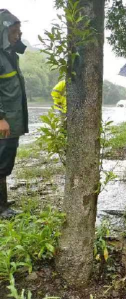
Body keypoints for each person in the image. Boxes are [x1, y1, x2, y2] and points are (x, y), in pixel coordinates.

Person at [0, 9, 29, 218]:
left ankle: (3, 201)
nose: (18, 35)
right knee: (1, 161)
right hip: (4, 121)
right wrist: (0, 118)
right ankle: (1, 208)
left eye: (19, 31)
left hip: (13, 119)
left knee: (7, 160)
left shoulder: (10, 55)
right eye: (14, 31)